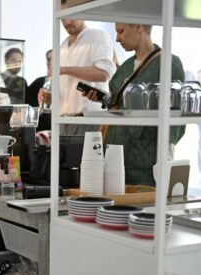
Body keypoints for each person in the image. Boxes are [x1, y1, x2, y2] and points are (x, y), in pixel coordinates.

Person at [85, 23, 186, 186]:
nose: (117, 38)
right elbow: (119, 101)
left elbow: (174, 111)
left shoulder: (169, 64)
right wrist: (102, 98)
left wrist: (166, 155)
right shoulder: (125, 67)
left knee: (143, 206)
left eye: (121, 31)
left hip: (144, 159)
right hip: (113, 153)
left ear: (139, 27)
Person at [55, 19, 116, 117]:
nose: (67, 22)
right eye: (64, 18)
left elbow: (103, 74)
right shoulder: (62, 46)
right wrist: (51, 97)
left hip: (88, 118)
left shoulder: (98, 36)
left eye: (72, 16)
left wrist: (65, 70)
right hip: (63, 118)